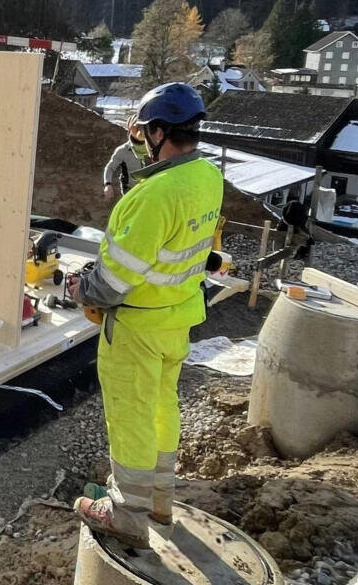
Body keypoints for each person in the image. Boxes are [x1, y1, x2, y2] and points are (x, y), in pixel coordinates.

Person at [67, 82, 223, 545]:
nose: (142, 144)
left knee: (131, 413)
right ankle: (159, 500)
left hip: (136, 324)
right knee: (161, 408)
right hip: (177, 318)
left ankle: (126, 515)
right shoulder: (207, 176)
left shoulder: (152, 195)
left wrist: (81, 287)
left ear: (159, 131)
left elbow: (116, 279)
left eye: (146, 134)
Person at [102, 127, 147, 200]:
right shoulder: (122, 151)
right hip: (130, 189)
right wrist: (108, 184)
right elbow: (110, 167)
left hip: (147, 186)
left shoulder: (150, 147)